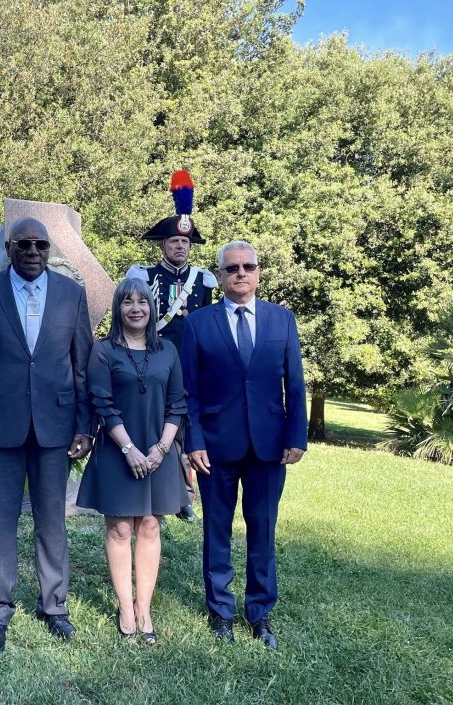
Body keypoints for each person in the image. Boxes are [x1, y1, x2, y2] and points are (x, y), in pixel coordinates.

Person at [0, 216, 93, 653]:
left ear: (50, 250)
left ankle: (54, 606)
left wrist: (85, 427)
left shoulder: (72, 294)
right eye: (24, 244)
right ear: (9, 248)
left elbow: (82, 366)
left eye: (41, 245)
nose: (33, 252)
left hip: (55, 426)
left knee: (52, 521)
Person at [180, 240, 308, 649]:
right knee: (216, 531)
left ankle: (260, 614)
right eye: (231, 268)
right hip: (214, 447)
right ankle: (220, 612)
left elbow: (295, 383)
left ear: (257, 272)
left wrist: (296, 435)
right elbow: (189, 391)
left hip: (269, 446)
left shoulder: (282, 320)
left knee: (263, 530)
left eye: (248, 266)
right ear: (218, 275)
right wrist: (193, 440)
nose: (240, 273)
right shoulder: (198, 324)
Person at [76, 278, 187, 645]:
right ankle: (125, 607)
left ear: (152, 309)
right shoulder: (103, 350)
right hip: (118, 449)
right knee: (121, 528)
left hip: (159, 449)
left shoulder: (168, 350)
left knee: (151, 527)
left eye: (143, 301)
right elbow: (101, 403)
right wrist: (129, 450)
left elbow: (177, 403)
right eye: (128, 302)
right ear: (118, 308)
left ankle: (145, 607)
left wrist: (160, 449)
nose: (136, 308)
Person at [127, 170, 216, 523]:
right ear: (163, 245)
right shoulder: (144, 277)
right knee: (151, 428)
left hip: (190, 365)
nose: (180, 247)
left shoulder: (204, 281)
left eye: (185, 244)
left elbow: (208, 326)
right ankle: (154, 495)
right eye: (174, 242)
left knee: (183, 429)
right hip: (152, 362)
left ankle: (181, 497)